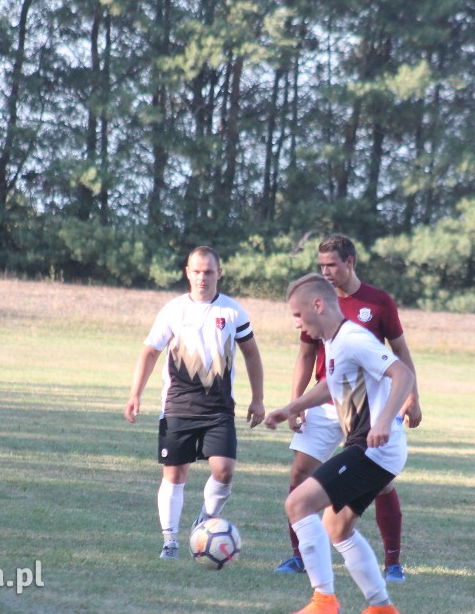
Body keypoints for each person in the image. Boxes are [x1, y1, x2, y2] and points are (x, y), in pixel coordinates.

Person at [264, 273, 415, 614]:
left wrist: (383, 422)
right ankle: (382, 608)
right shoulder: (334, 343)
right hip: (372, 449)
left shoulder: (353, 339)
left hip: (374, 449)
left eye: (298, 315)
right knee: (336, 526)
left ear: (318, 305)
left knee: (298, 504)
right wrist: (290, 408)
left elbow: (403, 374)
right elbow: (331, 387)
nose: (297, 324)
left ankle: (323, 602)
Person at [123, 246, 265, 561]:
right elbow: (150, 352)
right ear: (188, 272)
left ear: (219, 273)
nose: (202, 277)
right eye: (196, 271)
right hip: (177, 407)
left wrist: (257, 398)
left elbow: (252, 353)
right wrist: (135, 395)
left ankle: (204, 522)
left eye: (209, 272)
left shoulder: (232, 311)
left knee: (224, 470)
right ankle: (170, 541)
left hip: (218, 410)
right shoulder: (173, 310)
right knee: (175, 476)